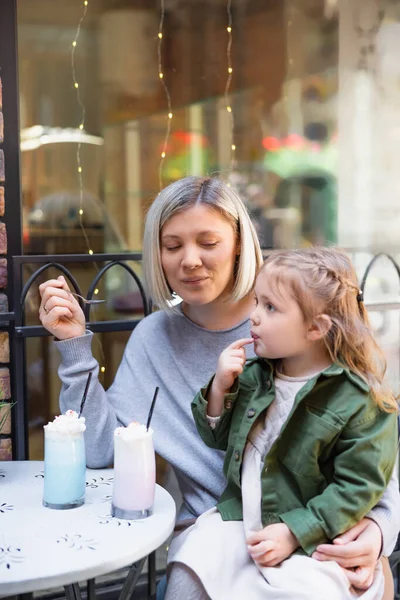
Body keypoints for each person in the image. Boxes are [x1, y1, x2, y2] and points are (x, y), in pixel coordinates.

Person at [38, 177, 398, 596]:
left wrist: (379, 528)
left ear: (240, 244)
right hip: (214, 532)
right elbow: (101, 453)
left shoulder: (299, 324)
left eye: (208, 242)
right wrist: (74, 346)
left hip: (321, 528)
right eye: (172, 246)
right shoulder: (154, 339)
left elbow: (374, 450)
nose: (189, 260)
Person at [166, 247, 398, 600]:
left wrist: (293, 532)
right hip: (241, 517)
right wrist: (218, 390)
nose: (254, 317)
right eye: (256, 302)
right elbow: (218, 438)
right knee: (188, 570)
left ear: (316, 328)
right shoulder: (254, 376)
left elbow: (358, 488)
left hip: (315, 531)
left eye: (270, 307)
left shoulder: (360, 399)